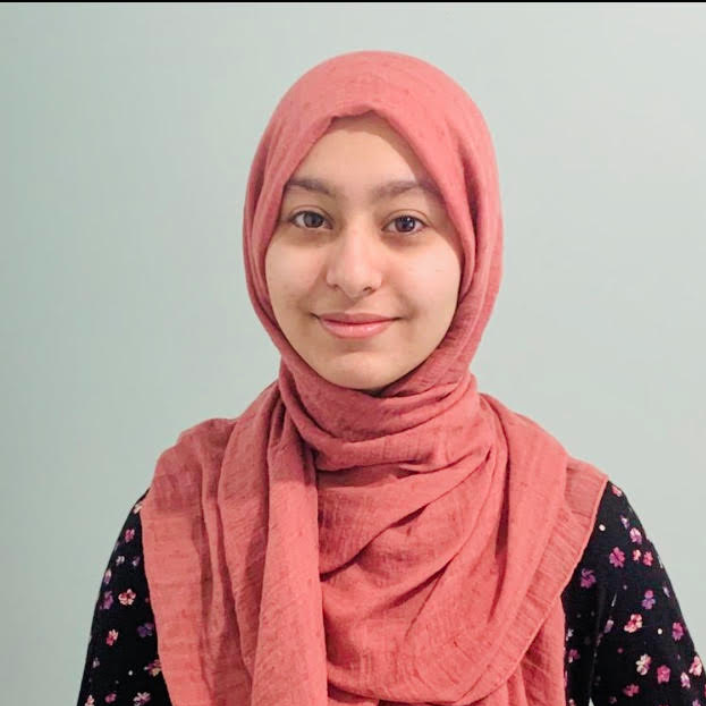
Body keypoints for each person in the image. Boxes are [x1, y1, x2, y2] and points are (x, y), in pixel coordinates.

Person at [76, 50, 704, 706]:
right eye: (310, 219)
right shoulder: (183, 523)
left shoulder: (574, 532)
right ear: (261, 234)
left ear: (472, 249)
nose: (352, 272)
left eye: (406, 223)